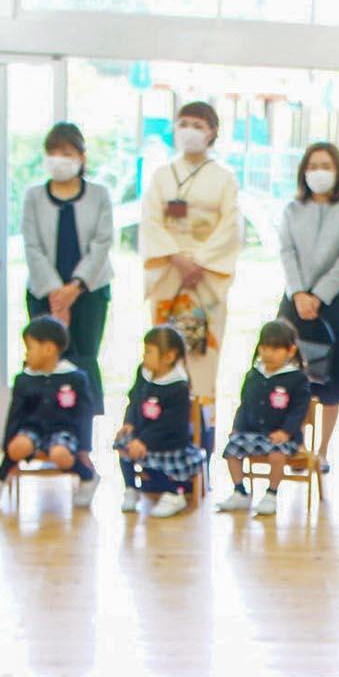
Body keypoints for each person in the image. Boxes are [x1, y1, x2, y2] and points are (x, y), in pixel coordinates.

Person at [141, 101, 240, 443]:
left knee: (203, 355)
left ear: (212, 132)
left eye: (198, 125)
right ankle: (160, 432)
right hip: (169, 273)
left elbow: (231, 226)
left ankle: (202, 436)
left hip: (205, 278)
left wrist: (199, 261)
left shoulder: (224, 178)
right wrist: (176, 257)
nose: (190, 131)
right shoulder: (161, 176)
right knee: (164, 350)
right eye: (183, 123)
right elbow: (150, 221)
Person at [21, 122, 114, 426]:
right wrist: (55, 292)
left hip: (89, 292)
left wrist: (74, 289)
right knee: (45, 358)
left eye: (67, 153)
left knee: (83, 359)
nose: (59, 160)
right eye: (53, 153)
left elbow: (102, 243)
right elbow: (32, 246)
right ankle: (43, 430)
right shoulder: (34, 196)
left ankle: (83, 434)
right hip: (43, 293)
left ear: (82, 157)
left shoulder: (99, 195)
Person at [279, 141, 339, 459]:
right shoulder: (292, 209)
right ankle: (297, 444)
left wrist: (319, 295)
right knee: (292, 375)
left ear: (338, 171)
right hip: (295, 301)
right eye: (313, 166)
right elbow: (286, 252)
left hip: (332, 302)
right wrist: (300, 293)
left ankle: (323, 451)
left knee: (332, 384)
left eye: (326, 166)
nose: (319, 172)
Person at [0, 316, 97, 511]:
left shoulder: (75, 378)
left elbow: (84, 415)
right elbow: (15, 414)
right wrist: (7, 444)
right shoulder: (24, 379)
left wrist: (84, 447)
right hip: (32, 429)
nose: (26, 354)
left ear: (48, 349)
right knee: (17, 447)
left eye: (30, 348)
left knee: (59, 454)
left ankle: (88, 477)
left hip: (63, 431)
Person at [217, 319, 312, 518]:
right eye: (264, 348)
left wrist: (286, 432)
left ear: (290, 351)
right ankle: (239, 491)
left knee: (277, 455)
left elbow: (299, 410)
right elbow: (244, 405)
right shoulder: (254, 375)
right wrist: (237, 427)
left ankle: (271, 494)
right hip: (252, 432)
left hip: (283, 437)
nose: (268, 354)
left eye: (275, 349)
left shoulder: (297, 379)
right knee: (231, 450)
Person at [114, 325, 200, 520]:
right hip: (143, 435)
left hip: (169, 442)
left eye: (149, 351)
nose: (144, 356)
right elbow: (134, 400)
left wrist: (144, 440)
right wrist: (129, 422)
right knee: (123, 443)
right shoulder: (143, 372)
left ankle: (173, 493)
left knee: (142, 453)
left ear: (168, 357)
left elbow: (170, 424)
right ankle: (131, 489)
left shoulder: (179, 387)